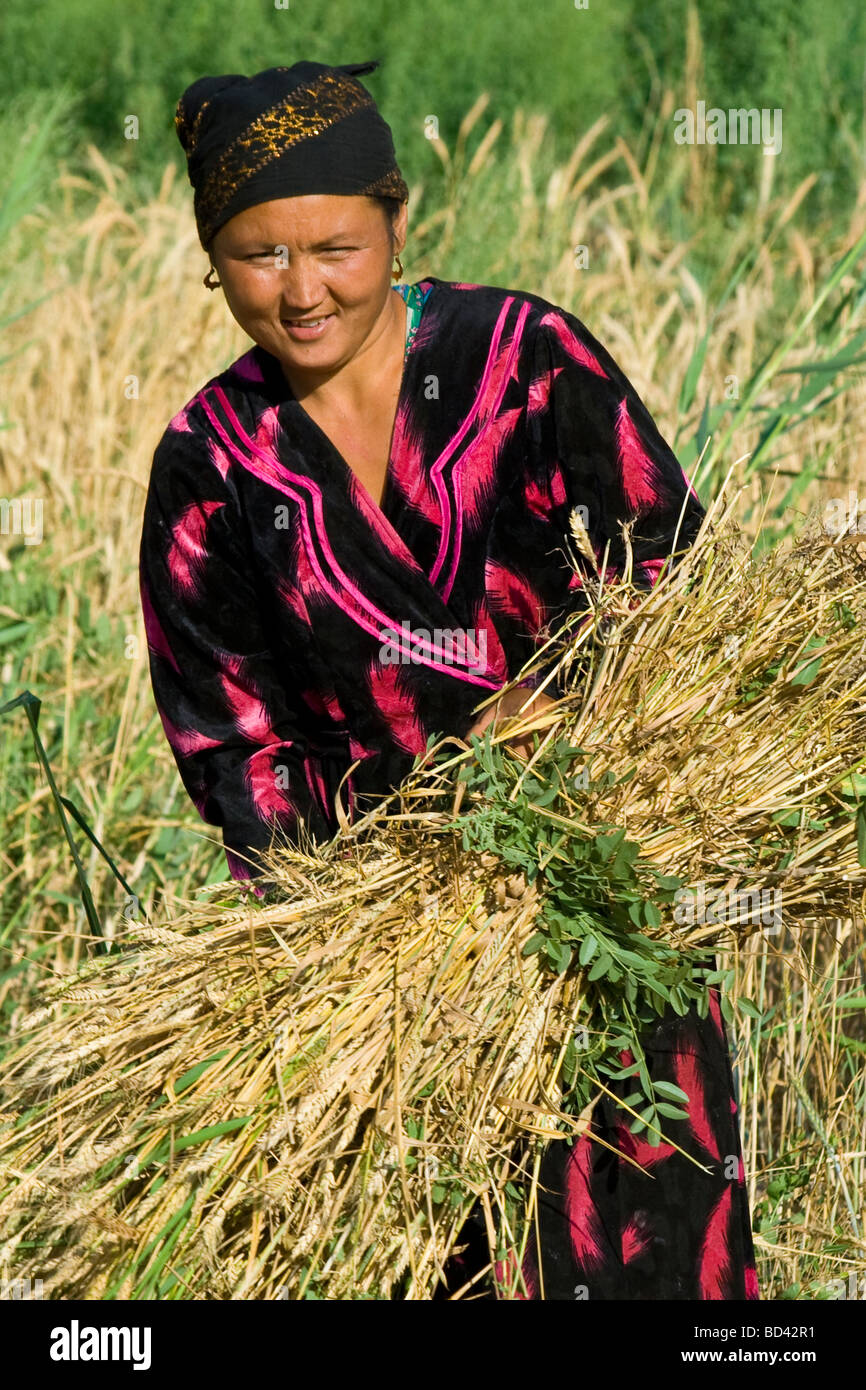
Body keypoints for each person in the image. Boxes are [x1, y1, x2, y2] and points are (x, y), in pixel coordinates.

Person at [138, 58, 759, 1300]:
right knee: (464, 1263)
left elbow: (682, 599)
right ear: (213, 257)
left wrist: (575, 730)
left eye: (333, 246)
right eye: (258, 255)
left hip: (609, 916)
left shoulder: (523, 359)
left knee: (649, 1250)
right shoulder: (211, 462)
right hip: (403, 974)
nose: (300, 290)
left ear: (396, 223)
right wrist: (424, 808)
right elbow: (233, 749)